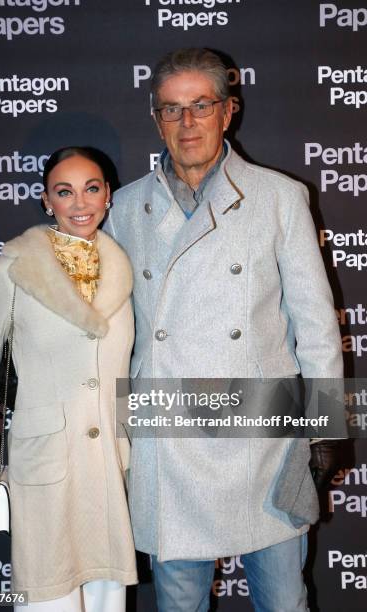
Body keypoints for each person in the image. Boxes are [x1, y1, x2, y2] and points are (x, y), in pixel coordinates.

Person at [103, 48, 343, 611]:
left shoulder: (280, 198)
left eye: (201, 106)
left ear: (228, 111)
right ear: (156, 119)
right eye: (172, 109)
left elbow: (314, 325)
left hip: (261, 430)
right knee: (179, 603)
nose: (187, 124)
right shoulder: (124, 207)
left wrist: (326, 423)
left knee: (284, 602)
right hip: (169, 430)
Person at [0, 146, 137, 611]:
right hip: (45, 460)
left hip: (107, 464)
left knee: (105, 599)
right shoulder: (15, 269)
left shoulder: (126, 269)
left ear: (108, 196)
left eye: (91, 189)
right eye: (65, 192)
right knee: (47, 597)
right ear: (46, 201)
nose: (80, 203)